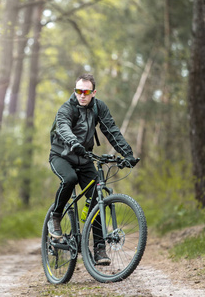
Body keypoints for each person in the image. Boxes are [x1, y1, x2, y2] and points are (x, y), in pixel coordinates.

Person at [48, 73, 138, 265]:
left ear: (93, 92)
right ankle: (55, 217)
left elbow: (111, 130)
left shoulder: (99, 107)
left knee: (96, 199)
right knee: (70, 179)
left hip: (84, 158)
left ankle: (99, 249)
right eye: (78, 91)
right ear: (75, 90)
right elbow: (63, 127)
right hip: (61, 155)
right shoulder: (66, 108)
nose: (82, 95)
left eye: (86, 92)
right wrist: (74, 143)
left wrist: (127, 154)